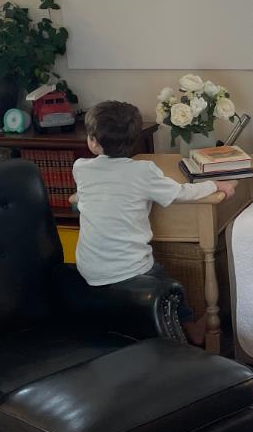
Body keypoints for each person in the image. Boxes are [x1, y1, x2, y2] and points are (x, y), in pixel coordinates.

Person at [71, 99, 237, 345]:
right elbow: (180, 193)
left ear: (93, 142)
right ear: (135, 138)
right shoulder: (143, 171)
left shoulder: (81, 168)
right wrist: (216, 185)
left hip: (89, 269)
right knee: (172, 286)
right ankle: (192, 329)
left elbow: (89, 194)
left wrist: (78, 198)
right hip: (131, 270)